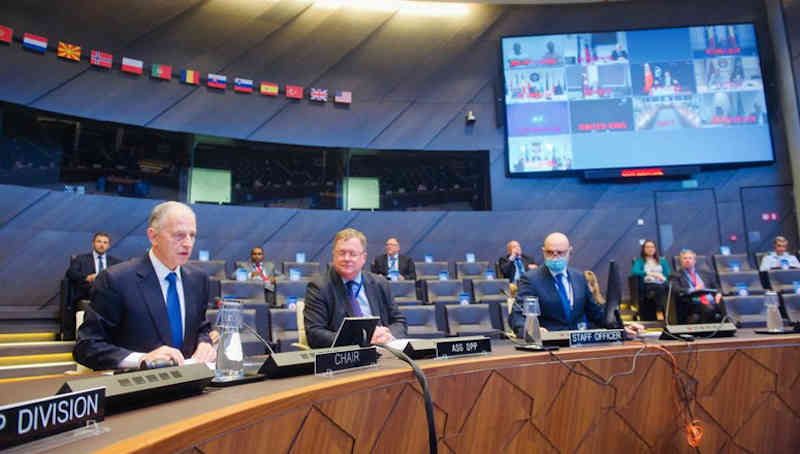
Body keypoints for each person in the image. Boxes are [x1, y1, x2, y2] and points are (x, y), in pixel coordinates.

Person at [74, 202, 215, 370]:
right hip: (137, 388)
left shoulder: (198, 280)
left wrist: (205, 343)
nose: (188, 243)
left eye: (192, 235)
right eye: (179, 235)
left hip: (192, 387)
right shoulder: (115, 280)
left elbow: (201, 328)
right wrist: (142, 359)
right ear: (153, 236)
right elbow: (87, 346)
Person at [509, 232, 643, 335]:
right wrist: (531, 332)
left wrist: (622, 327)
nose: (555, 257)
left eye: (560, 253)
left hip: (578, 344)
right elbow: (517, 315)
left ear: (569, 251)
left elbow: (596, 314)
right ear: (544, 252)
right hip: (549, 346)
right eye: (550, 253)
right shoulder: (531, 279)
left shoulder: (579, 277)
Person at [304, 228, 407, 349]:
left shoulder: (380, 283)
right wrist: (364, 339)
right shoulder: (319, 287)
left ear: (363, 258)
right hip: (345, 358)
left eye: (353, 254)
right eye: (341, 253)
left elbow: (399, 321)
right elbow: (315, 334)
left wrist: (388, 335)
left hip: (385, 350)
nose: (347, 258)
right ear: (334, 255)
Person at [669, 249, 723, 324]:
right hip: (692, 303)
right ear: (681, 261)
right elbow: (676, 290)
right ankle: (706, 332)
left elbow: (717, 287)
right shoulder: (675, 275)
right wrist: (693, 289)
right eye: (685, 258)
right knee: (708, 308)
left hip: (711, 301)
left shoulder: (705, 273)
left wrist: (718, 294)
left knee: (724, 305)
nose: (687, 260)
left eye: (690, 258)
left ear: (695, 261)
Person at [66, 232, 122, 302]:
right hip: (87, 294)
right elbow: (70, 272)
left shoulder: (116, 262)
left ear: (108, 246)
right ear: (93, 243)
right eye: (99, 241)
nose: (102, 245)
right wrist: (87, 278)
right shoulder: (81, 258)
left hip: (109, 295)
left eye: (105, 242)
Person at [631, 240, 671, 321]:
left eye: (652, 247)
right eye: (647, 247)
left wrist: (663, 278)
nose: (650, 249)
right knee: (660, 289)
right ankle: (664, 312)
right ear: (643, 249)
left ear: (655, 249)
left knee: (671, 289)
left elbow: (668, 274)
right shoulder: (640, 261)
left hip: (662, 283)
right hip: (649, 285)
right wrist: (650, 273)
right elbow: (635, 271)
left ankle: (669, 314)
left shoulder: (662, 261)